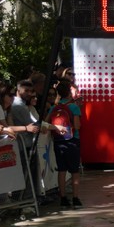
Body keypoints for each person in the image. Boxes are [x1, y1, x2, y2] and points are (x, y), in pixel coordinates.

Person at [48, 80, 83, 208]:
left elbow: (46, 123)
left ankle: (63, 198)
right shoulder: (74, 107)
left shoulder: (53, 108)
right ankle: (75, 198)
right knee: (74, 171)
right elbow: (77, 126)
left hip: (58, 141)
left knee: (61, 170)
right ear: (69, 93)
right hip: (72, 140)